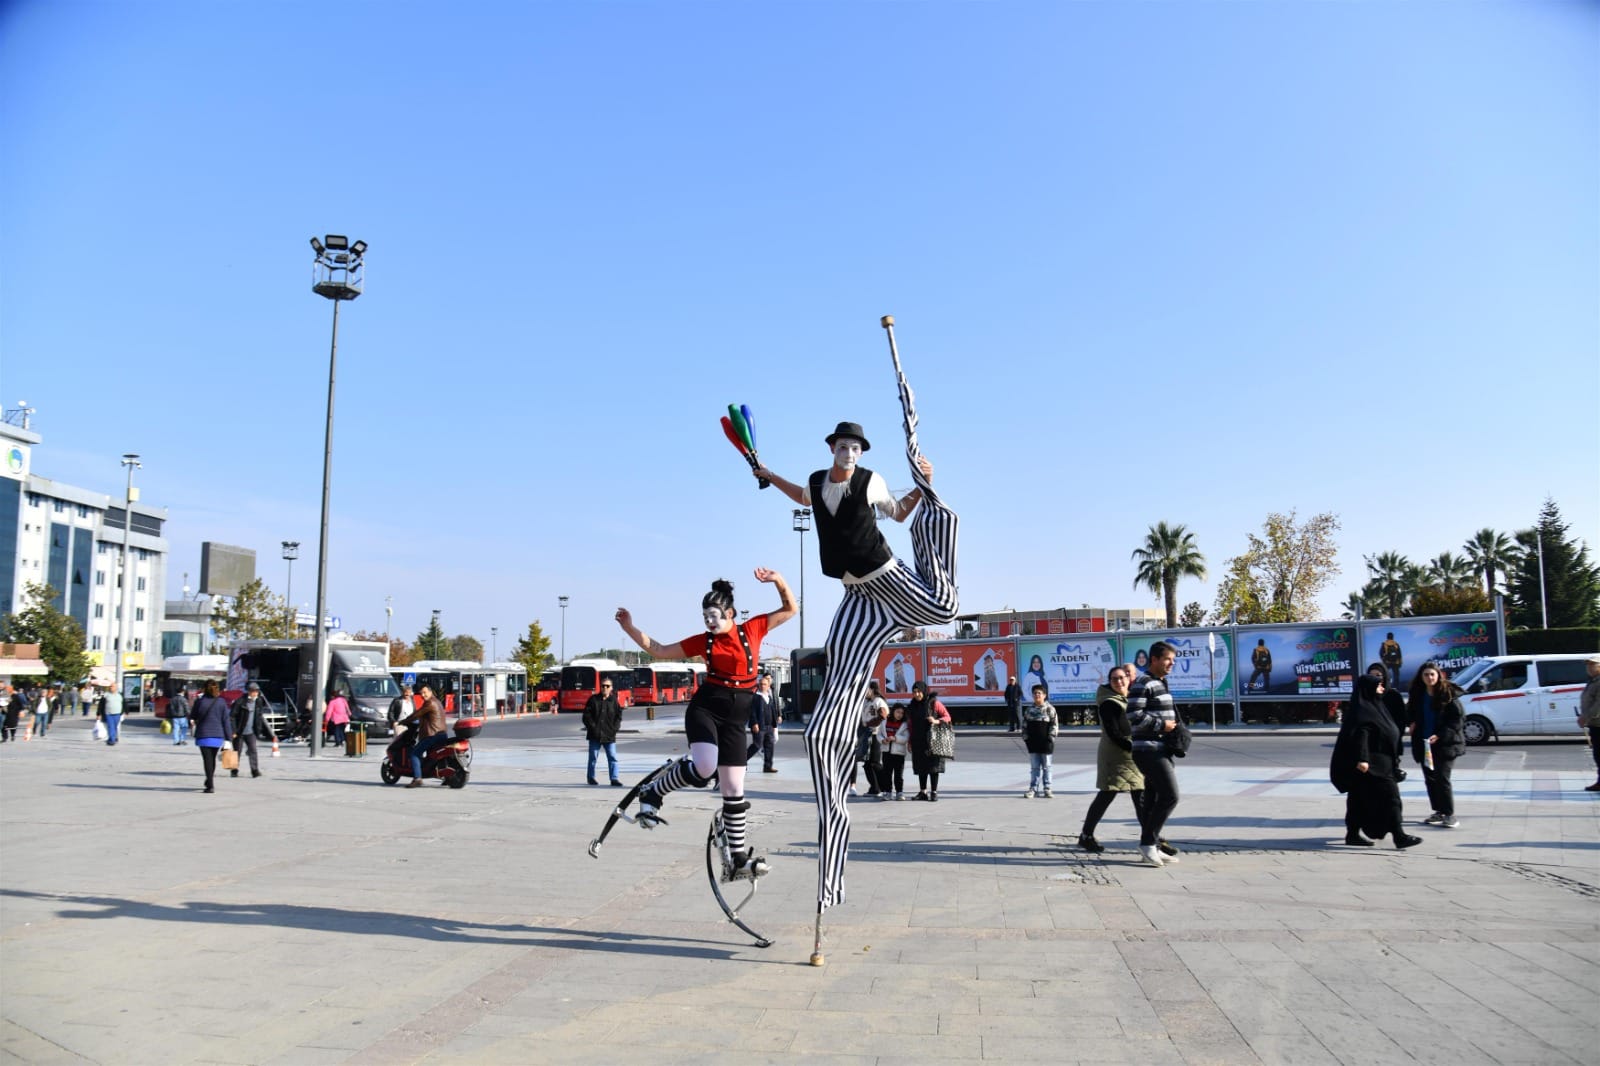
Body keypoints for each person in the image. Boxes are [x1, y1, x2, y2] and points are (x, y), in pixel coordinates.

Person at [752, 382, 960, 918]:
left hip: (887, 577)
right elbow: (798, 495)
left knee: (941, 606)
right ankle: (834, 800)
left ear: (862, 454)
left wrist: (926, 488)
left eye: (855, 448)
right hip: (856, 595)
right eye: (842, 446)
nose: (848, 453)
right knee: (828, 705)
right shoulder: (819, 483)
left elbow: (896, 511)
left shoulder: (872, 481)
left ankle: (942, 539)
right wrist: (766, 473)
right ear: (831, 450)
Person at [615, 569, 797, 879]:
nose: (710, 622)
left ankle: (737, 860)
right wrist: (631, 628)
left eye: (714, 616)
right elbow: (658, 650)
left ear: (730, 613)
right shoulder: (704, 641)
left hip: (735, 720)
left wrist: (778, 580)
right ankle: (653, 793)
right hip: (706, 711)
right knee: (704, 767)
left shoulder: (753, 629)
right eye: (705, 617)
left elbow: (790, 609)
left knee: (734, 789)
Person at [1342, 673, 1422, 850]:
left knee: (1358, 799)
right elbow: (1360, 735)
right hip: (1372, 765)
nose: (1382, 688)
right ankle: (1399, 836)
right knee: (1391, 798)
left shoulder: (1375, 706)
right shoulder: (1362, 710)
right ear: (1369, 688)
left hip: (1381, 762)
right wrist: (1362, 758)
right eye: (1378, 686)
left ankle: (1352, 834)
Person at [1078, 665, 1145, 853]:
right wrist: (1135, 746)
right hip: (1115, 756)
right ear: (1110, 682)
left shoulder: (1129, 698)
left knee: (1140, 796)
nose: (1119, 681)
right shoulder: (1110, 702)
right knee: (1106, 795)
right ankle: (1086, 835)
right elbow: (1115, 733)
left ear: (1128, 678)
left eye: (1122, 677)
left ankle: (1151, 837)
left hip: (1131, 757)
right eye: (1114, 679)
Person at [1127, 641, 1182, 868]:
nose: (1171, 664)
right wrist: (1162, 725)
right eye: (1168, 659)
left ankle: (1152, 846)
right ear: (1155, 660)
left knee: (1151, 800)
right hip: (1147, 750)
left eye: (1173, 660)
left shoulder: (1161, 682)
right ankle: (1148, 843)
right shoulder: (1143, 682)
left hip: (1161, 748)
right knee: (1171, 795)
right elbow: (1133, 714)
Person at [1408, 662, 1465, 828]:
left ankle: (1449, 814)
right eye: (1426, 674)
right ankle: (1438, 811)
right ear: (1421, 677)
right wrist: (1411, 722)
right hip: (1424, 743)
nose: (1429, 678)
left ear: (1438, 675)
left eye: (1432, 674)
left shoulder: (1447, 693)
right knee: (1430, 779)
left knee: (1442, 777)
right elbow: (1410, 711)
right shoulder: (1418, 694)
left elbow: (1457, 719)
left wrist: (1440, 735)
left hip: (1445, 744)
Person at [906, 681, 951, 801]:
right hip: (917, 740)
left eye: (919, 691)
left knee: (933, 767)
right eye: (914, 692)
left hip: (933, 740)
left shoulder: (934, 703)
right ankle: (923, 792)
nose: (917, 694)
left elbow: (947, 717)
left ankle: (934, 792)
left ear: (924, 691)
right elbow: (910, 725)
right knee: (921, 767)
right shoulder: (912, 705)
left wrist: (936, 721)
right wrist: (910, 741)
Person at [399, 685, 449, 787]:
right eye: (421, 693)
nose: (423, 695)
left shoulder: (430, 702)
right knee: (433, 756)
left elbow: (417, 714)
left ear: (430, 692)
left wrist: (404, 721)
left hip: (432, 735)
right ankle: (447, 777)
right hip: (442, 734)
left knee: (414, 754)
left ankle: (417, 778)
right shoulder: (437, 701)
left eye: (425, 692)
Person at [190, 680, 233, 793]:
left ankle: (210, 784)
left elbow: (193, 716)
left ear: (204, 688)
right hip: (218, 736)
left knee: (207, 760)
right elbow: (226, 721)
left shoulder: (200, 702)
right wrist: (229, 738)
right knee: (212, 759)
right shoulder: (221, 702)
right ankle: (209, 781)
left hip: (203, 735)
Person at [582, 676, 623, 786]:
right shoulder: (593, 699)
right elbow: (586, 716)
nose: (605, 688)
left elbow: (618, 716)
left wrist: (614, 729)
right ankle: (591, 778)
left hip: (609, 736)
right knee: (593, 758)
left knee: (612, 757)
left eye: (607, 686)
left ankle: (614, 778)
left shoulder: (613, 700)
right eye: (603, 686)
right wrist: (593, 728)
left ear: (611, 688)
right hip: (595, 735)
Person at [1020, 683, 1057, 798]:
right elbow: (1024, 726)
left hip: (1046, 744)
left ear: (1044, 695)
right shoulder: (1029, 710)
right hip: (1033, 744)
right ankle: (1033, 789)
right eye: (1035, 693)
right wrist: (1026, 739)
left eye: (1039, 693)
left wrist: (1050, 739)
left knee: (1047, 767)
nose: (1037, 695)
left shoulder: (1049, 709)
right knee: (1035, 768)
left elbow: (1054, 725)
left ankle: (1047, 788)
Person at [852, 681, 888, 797]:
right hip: (867, 733)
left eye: (865, 690)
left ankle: (886, 786)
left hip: (875, 733)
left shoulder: (878, 701)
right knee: (867, 763)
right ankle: (875, 788)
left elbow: (883, 716)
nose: (863, 692)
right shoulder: (867, 702)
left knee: (874, 762)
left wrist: (869, 724)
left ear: (872, 689)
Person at [229, 682, 269, 779]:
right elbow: (232, 716)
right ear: (248, 692)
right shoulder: (240, 702)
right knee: (236, 751)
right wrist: (233, 731)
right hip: (239, 731)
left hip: (251, 731)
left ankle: (254, 770)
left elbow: (259, 716)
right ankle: (234, 770)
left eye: (256, 691)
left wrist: (259, 729)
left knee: (253, 750)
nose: (255, 693)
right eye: (253, 691)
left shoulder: (259, 701)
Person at [746, 674, 780, 773]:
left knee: (769, 746)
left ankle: (768, 766)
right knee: (757, 745)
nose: (762, 686)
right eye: (760, 684)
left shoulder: (769, 697)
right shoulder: (755, 697)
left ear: (768, 686)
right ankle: (742, 761)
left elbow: (773, 711)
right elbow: (751, 711)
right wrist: (754, 723)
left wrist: (774, 725)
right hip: (759, 726)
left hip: (769, 726)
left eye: (765, 684)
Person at [1580, 655, 1600, 792]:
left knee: (1599, 754)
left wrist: (1586, 717)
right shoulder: (1593, 681)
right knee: (1598, 754)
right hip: (1595, 723)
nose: (1589, 667)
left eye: (1593, 665)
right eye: (1588, 665)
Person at [881, 703, 910, 799]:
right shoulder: (884, 722)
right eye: (898, 712)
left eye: (902, 713)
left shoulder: (904, 724)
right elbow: (879, 734)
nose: (899, 714)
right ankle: (888, 792)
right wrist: (882, 740)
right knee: (887, 773)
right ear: (893, 711)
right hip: (886, 751)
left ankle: (899, 792)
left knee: (898, 774)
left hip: (899, 753)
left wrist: (895, 738)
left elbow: (906, 738)